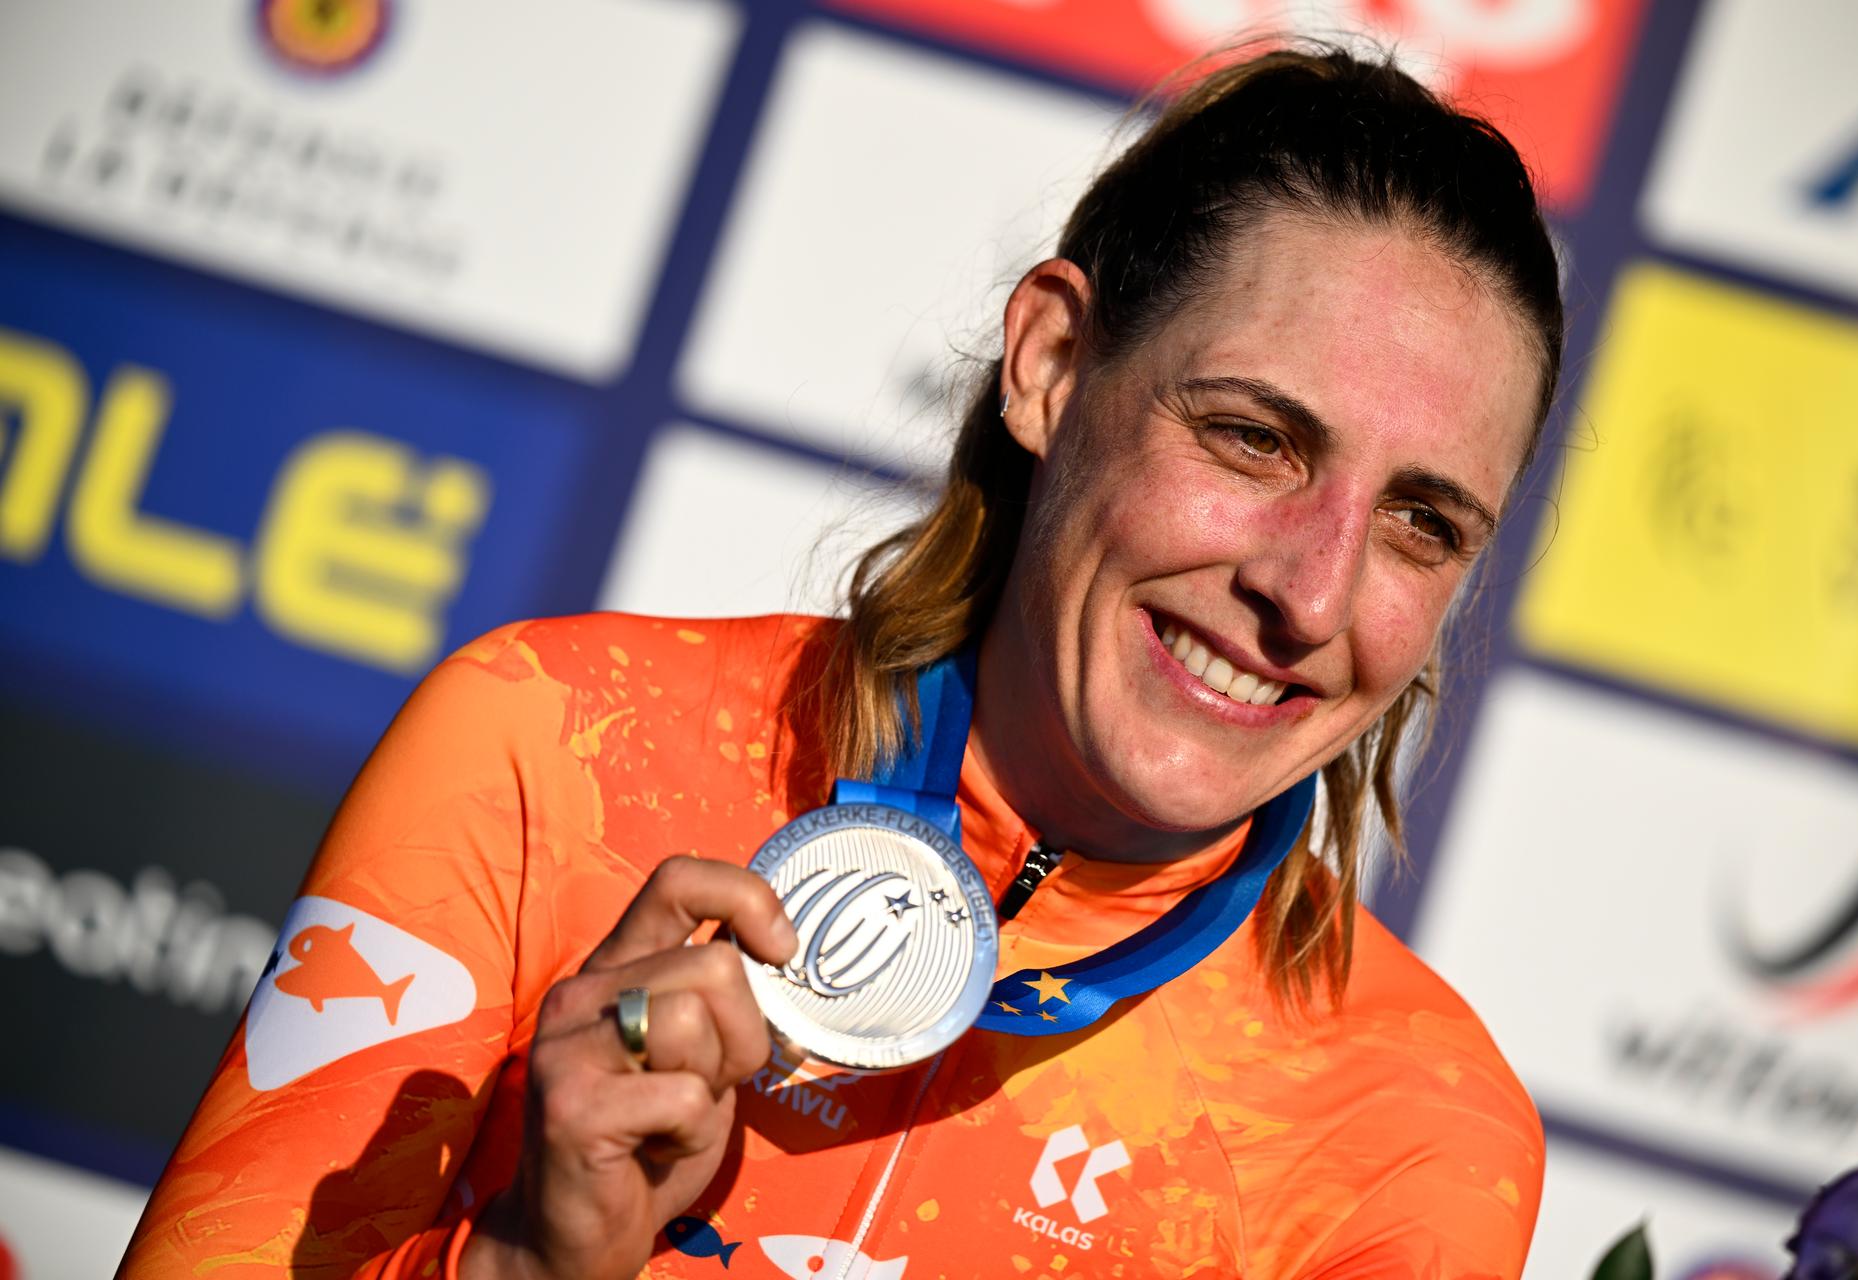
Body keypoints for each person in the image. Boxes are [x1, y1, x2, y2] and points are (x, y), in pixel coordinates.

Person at [121, 41, 1564, 1280]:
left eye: (1422, 525)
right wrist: (517, 1263)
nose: (1310, 591)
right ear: (1051, 365)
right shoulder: (552, 748)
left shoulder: (1416, 1128)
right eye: (1253, 437)